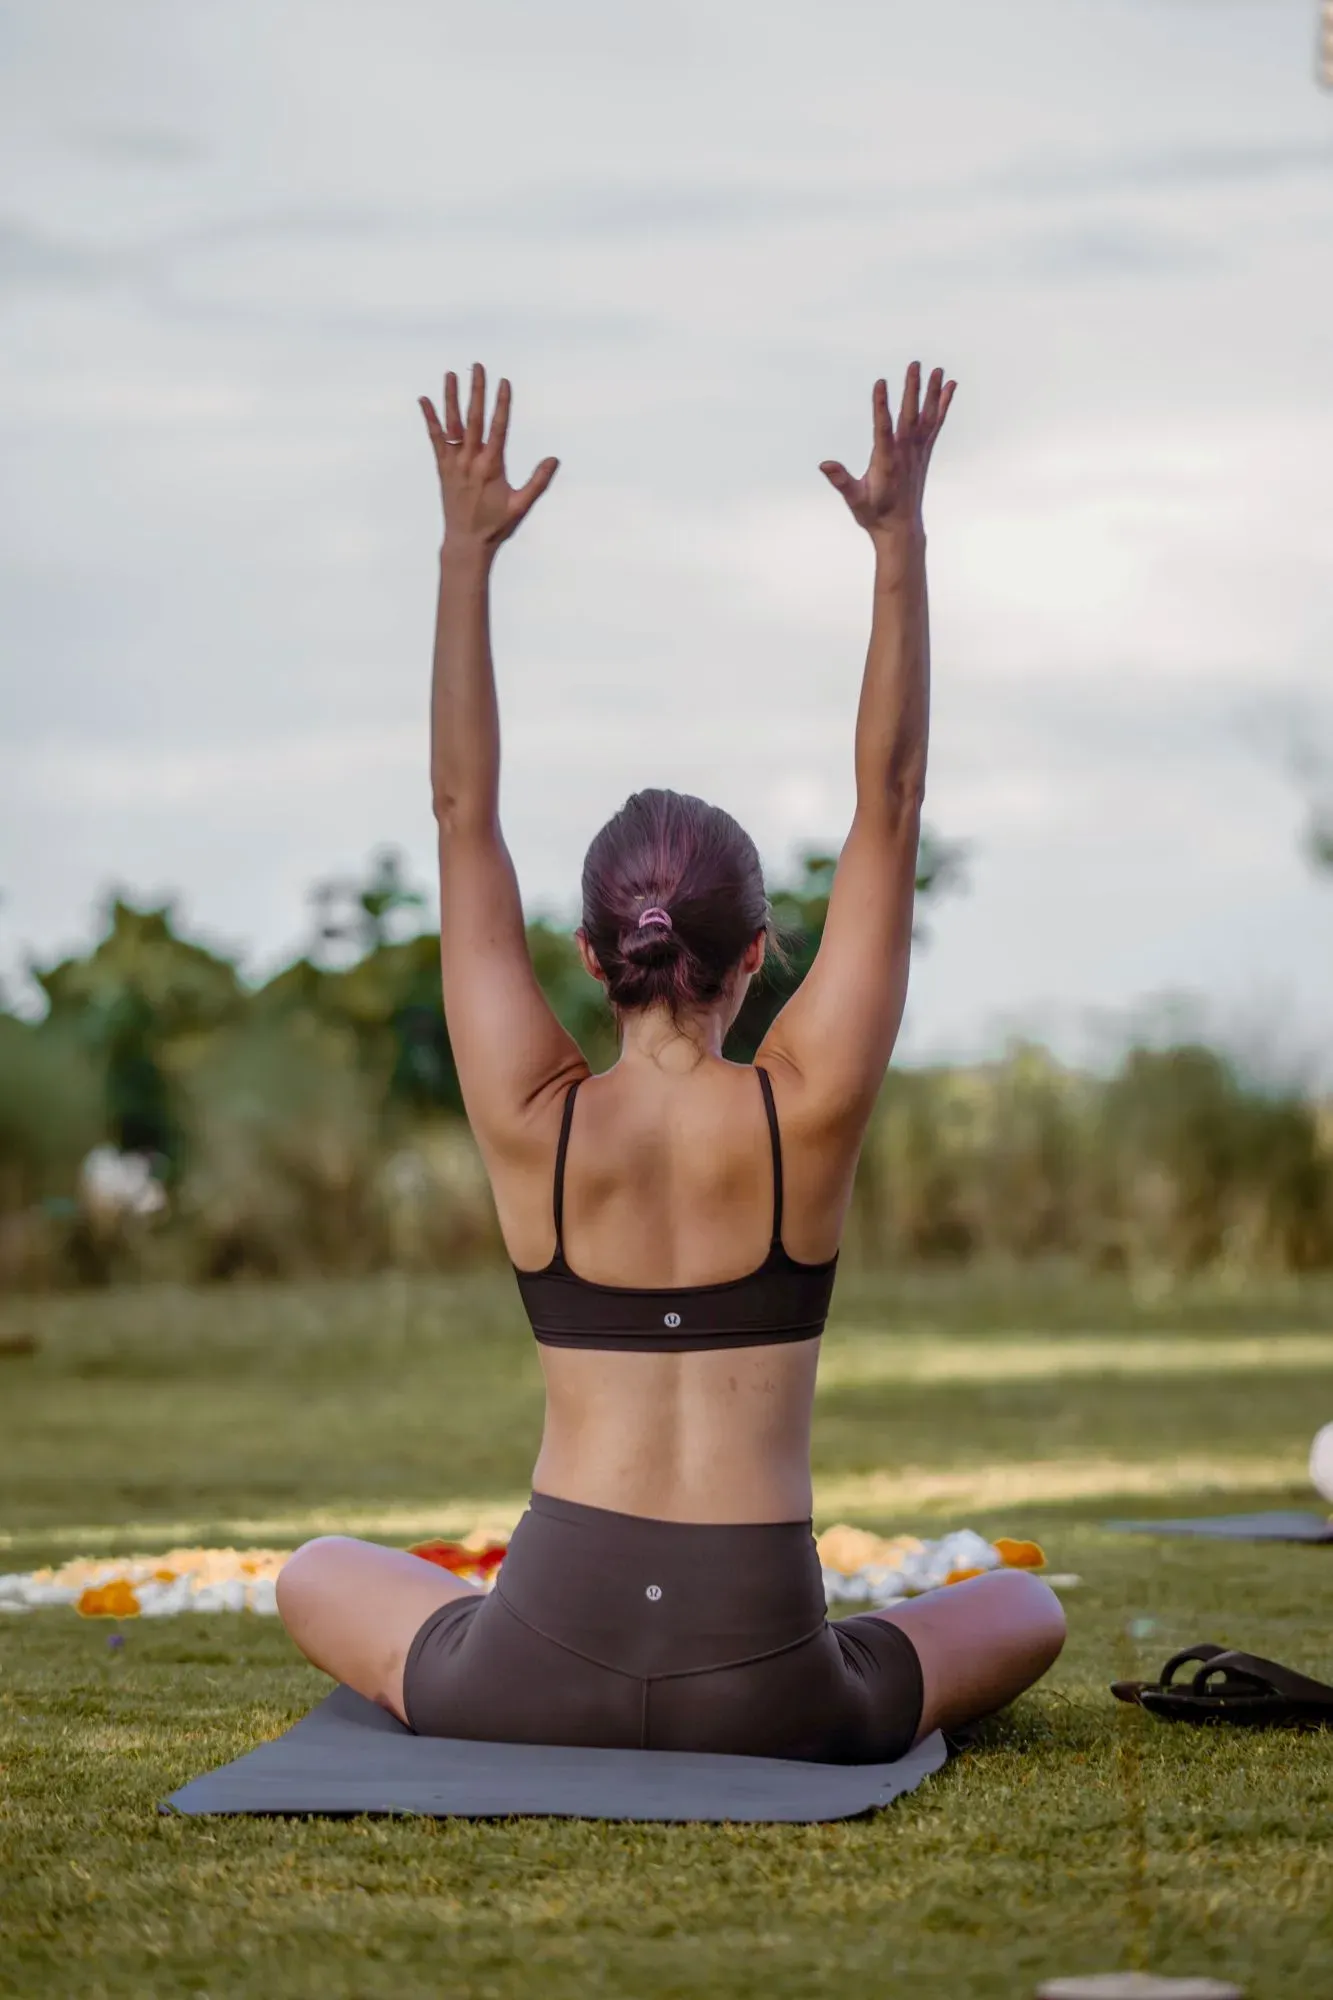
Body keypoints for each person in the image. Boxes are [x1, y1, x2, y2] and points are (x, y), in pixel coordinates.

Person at [276, 360, 1065, 1761]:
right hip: (771, 1685)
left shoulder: (535, 1118)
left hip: (534, 1667)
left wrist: (466, 555)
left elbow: (462, 814)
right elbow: (891, 804)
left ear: (590, 957)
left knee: (314, 1568)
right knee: (1023, 1608)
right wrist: (899, 542)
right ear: (758, 955)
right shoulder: (803, 1110)